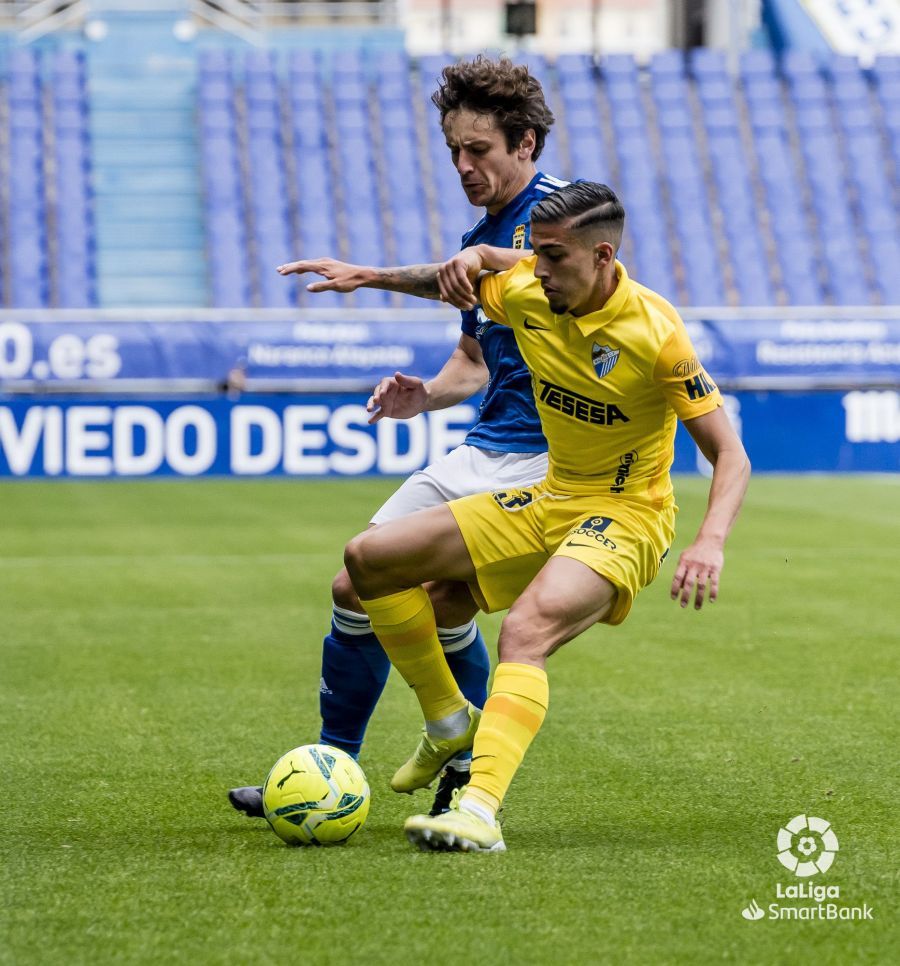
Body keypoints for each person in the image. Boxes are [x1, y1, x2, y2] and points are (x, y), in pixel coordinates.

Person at [304, 181, 750, 852]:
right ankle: (450, 720)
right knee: (368, 560)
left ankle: (478, 812)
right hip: (548, 499)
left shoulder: (655, 333)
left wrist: (709, 542)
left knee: (527, 628)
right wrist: (375, 276)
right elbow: (454, 283)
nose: (537, 270)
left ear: (601, 256)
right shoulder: (529, 292)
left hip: (626, 517)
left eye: (551, 256)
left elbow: (730, 454)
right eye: (532, 255)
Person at [228, 55, 566, 819]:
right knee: (359, 585)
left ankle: (463, 770)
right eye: (453, 149)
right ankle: (332, 767)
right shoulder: (477, 234)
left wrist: (465, 260)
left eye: (478, 149)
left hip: (553, 464)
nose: (462, 164)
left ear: (525, 145)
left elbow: (565, 272)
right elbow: (475, 358)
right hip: (484, 446)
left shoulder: (562, 214)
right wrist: (427, 394)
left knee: (442, 599)